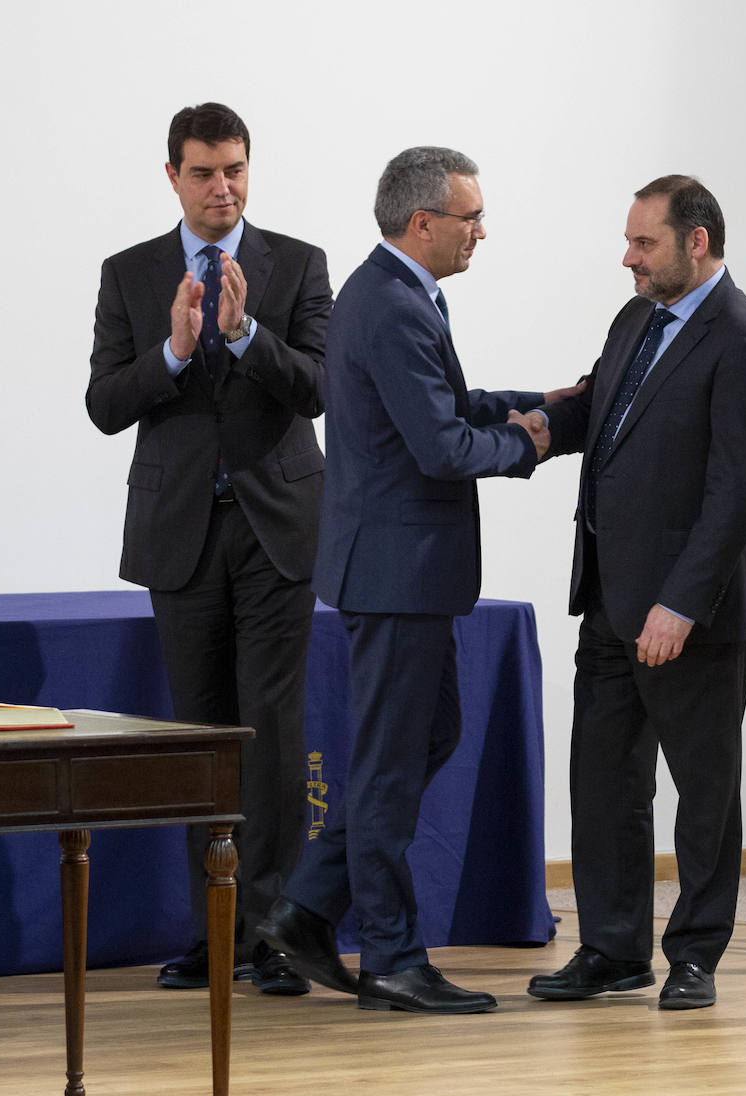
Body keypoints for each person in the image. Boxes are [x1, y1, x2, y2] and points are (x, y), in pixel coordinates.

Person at [256, 146, 565, 1014]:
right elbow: (438, 447)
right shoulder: (391, 304)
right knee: (391, 767)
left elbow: (440, 405)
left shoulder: (395, 293)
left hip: (404, 573)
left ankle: (308, 906)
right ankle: (391, 957)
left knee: (421, 743)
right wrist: (527, 443)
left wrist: (536, 401)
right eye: (469, 217)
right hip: (397, 574)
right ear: (421, 222)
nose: (481, 231)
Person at [522, 175, 746, 1010]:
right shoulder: (635, 317)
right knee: (603, 781)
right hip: (607, 596)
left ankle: (696, 954)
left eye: (644, 243)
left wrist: (680, 602)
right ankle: (611, 949)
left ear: (697, 242)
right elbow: (597, 410)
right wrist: (515, 431)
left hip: (691, 613)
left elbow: (737, 491)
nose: (628, 258)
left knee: (703, 790)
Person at [87, 102, 330, 996]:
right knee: (201, 735)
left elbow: (321, 386)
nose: (222, 186)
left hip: (277, 531)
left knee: (270, 735)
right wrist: (178, 352)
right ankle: (216, 932)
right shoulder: (131, 273)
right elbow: (106, 402)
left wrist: (246, 338)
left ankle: (274, 936)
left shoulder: (297, 264)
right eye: (203, 172)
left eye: (234, 168)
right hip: (181, 535)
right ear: (173, 177)